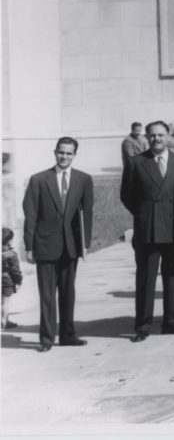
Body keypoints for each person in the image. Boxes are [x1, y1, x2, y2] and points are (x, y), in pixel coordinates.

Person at [120, 120, 174, 341]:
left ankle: (172, 321)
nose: (157, 139)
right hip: (147, 229)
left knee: (172, 276)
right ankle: (143, 325)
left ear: (168, 136)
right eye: (152, 135)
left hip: (171, 228)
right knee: (146, 279)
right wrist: (145, 214)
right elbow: (127, 195)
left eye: (161, 135)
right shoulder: (136, 162)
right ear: (147, 138)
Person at [23, 137, 93, 351]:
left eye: (69, 153)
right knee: (46, 295)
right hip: (44, 245)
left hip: (70, 246)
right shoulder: (39, 179)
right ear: (55, 153)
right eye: (61, 152)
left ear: (74, 155)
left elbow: (87, 213)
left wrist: (85, 244)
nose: (64, 157)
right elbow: (30, 215)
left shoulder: (83, 179)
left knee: (67, 292)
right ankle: (46, 339)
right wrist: (28, 246)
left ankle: (68, 335)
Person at [2, 227, 23, 330]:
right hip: (7, 281)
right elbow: (15, 270)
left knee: (1, 302)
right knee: (5, 302)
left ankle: (5, 320)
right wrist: (19, 280)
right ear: (10, 240)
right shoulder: (11, 254)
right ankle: (3, 321)